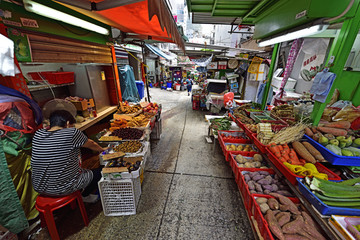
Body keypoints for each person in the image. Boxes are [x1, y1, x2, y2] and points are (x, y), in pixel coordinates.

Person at [31, 110, 106, 203]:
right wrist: (102, 150)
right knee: (102, 171)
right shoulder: (71, 133)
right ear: (67, 123)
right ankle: (85, 196)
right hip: (62, 189)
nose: (72, 127)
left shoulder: (38, 134)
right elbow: (91, 144)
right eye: (72, 125)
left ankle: (79, 189)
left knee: (77, 169)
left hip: (39, 187)